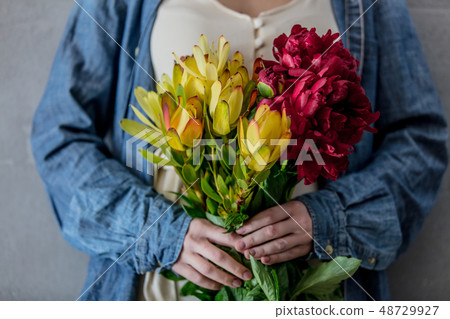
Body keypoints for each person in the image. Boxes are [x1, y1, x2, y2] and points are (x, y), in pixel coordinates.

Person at [31, 0, 448, 301]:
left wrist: (330, 220)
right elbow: (60, 135)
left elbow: (420, 140)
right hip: (160, 297)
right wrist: (161, 234)